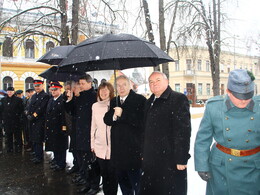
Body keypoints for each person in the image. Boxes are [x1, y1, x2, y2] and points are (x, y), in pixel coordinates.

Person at [194, 69, 260, 195]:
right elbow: (203, 139)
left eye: (248, 96)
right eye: (239, 97)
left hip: (253, 167)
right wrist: (202, 165)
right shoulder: (214, 107)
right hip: (222, 168)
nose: (243, 101)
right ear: (228, 92)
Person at [139, 71, 191, 195]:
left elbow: (183, 131)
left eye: (158, 80)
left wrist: (181, 159)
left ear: (167, 82)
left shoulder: (178, 99)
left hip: (169, 161)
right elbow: (144, 131)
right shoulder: (149, 101)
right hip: (150, 160)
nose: (154, 84)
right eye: (151, 82)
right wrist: (143, 152)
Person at [104, 75, 146, 195]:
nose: (121, 88)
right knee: (124, 187)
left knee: (138, 186)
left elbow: (142, 122)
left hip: (133, 152)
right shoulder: (114, 101)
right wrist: (113, 115)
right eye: (118, 85)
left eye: (124, 85)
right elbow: (107, 120)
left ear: (130, 85)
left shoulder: (140, 100)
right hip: (118, 153)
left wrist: (123, 114)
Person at [65, 74, 100, 194]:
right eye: (79, 84)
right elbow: (71, 111)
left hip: (90, 133)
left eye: (83, 83)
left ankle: (95, 185)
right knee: (83, 161)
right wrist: (70, 99)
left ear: (90, 83)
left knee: (91, 161)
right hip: (79, 133)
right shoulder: (79, 96)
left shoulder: (95, 96)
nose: (80, 86)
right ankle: (87, 182)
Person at [91, 82, 118, 195]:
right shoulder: (95, 106)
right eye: (101, 90)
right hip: (100, 147)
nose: (103, 92)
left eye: (106, 90)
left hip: (113, 148)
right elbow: (93, 126)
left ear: (111, 91)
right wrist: (92, 144)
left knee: (113, 176)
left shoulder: (116, 104)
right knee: (105, 175)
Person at [45, 82, 68, 171]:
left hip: (60, 127)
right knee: (55, 145)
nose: (53, 92)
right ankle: (57, 161)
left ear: (60, 90)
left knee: (61, 146)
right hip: (52, 127)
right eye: (52, 90)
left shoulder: (62, 100)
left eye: (55, 90)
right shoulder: (51, 100)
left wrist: (64, 128)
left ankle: (61, 163)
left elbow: (64, 116)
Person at [27, 80, 49, 164]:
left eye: (38, 86)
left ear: (42, 86)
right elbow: (30, 107)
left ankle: (39, 157)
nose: (37, 87)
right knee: (34, 138)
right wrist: (28, 114)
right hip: (33, 121)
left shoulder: (45, 96)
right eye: (35, 86)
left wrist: (33, 116)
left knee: (38, 139)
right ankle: (36, 154)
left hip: (39, 120)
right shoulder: (34, 96)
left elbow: (41, 108)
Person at [64, 81, 80, 175]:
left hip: (77, 127)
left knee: (78, 150)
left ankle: (79, 167)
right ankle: (76, 164)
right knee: (74, 148)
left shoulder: (78, 97)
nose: (68, 91)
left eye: (70, 89)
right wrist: (69, 99)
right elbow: (67, 109)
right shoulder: (68, 97)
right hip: (72, 127)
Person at [1, 87, 24, 153]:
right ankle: (10, 148)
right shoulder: (3, 100)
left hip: (16, 121)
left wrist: (19, 118)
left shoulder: (18, 100)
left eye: (11, 91)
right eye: (8, 91)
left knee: (17, 135)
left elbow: (21, 110)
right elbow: (2, 110)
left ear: (13, 92)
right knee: (8, 135)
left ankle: (19, 148)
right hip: (7, 121)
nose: (10, 92)